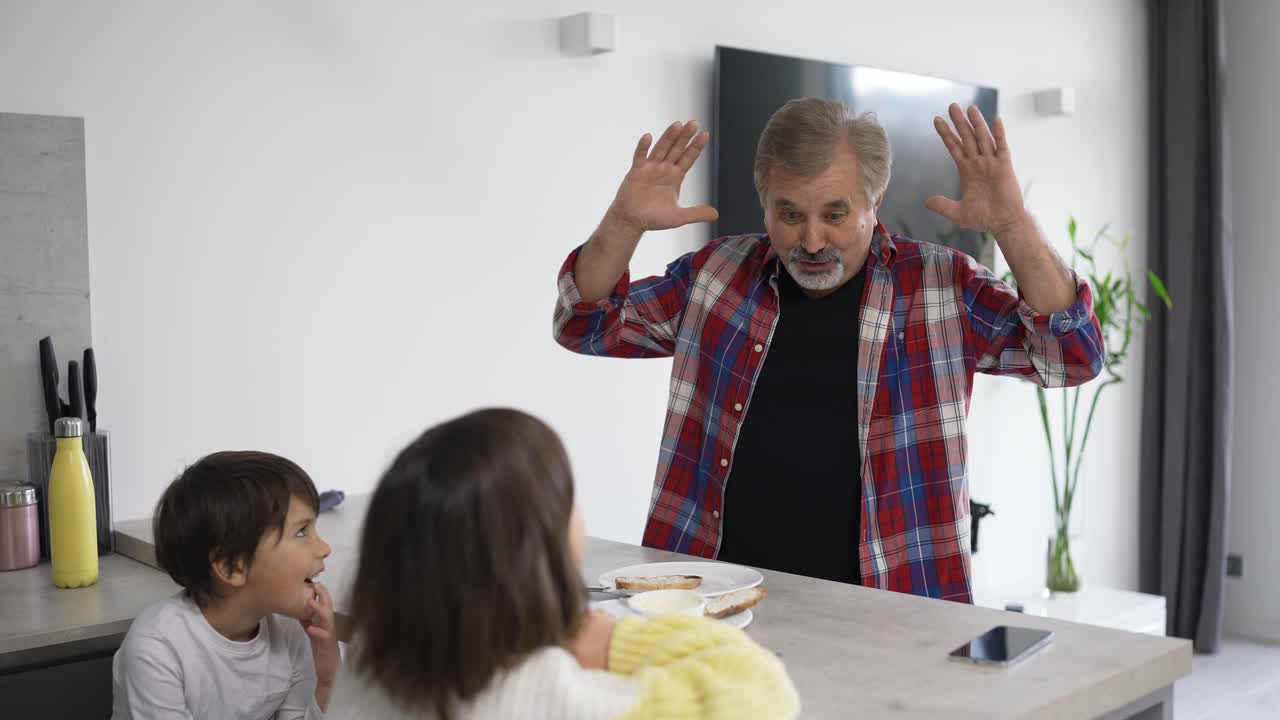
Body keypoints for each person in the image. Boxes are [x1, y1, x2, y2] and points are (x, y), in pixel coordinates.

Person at [553, 98, 1104, 602]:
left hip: (893, 612)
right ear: (764, 205)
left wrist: (1012, 224)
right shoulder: (716, 276)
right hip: (713, 600)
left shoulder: (942, 285)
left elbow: (1072, 356)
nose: (811, 240)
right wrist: (624, 223)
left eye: (834, 215)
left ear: (874, 201)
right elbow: (586, 325)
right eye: (789, 214)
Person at [324, 407, 799, 720]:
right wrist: (613, 639)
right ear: (536, 543)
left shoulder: (371, 662)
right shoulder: (548, 694)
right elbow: (762, 693)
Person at [111, 451, 339, 719]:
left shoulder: (291, 631)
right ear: (233, 567)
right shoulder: (157, 649)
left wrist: (328, 682)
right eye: (302, 532)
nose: (325, 548)